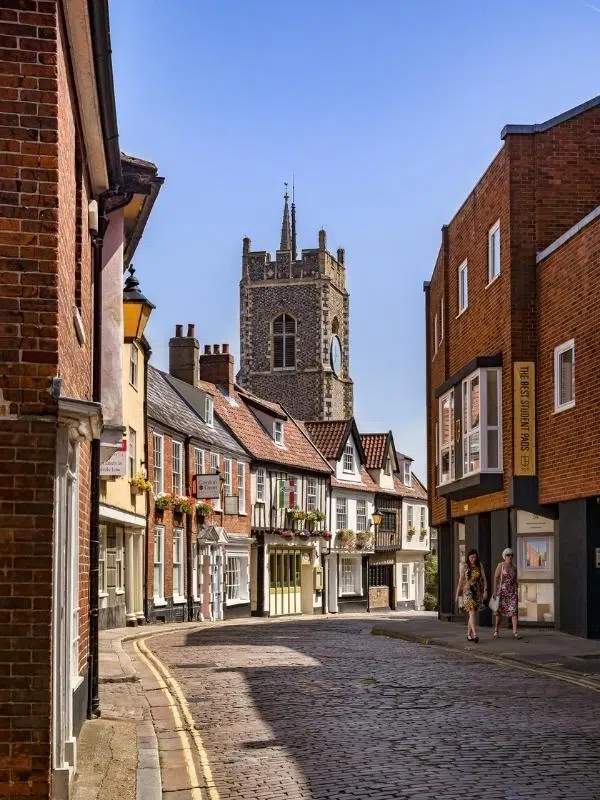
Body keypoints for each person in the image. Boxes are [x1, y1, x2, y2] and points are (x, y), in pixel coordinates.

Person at [455, 549, 488, 642]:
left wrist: (485, 590)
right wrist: (457, 594)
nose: (473, 559)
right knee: (472, 612)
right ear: (468, 557)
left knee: (472, 614)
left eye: (475, 557)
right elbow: (460, 581)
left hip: (476, 592)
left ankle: (468, 634)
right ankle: (475, 634)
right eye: (471, 557)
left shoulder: (479, 565)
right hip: (467, 592)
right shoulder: (464, 566)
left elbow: (484, 578)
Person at [492, 547, 520, 639]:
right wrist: (495, 591)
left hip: (512, 593)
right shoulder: (501, 565)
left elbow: (515, 580)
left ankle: (515, 632)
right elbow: (496, 578)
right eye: (508, 555)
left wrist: (516, 589)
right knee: (498, 613)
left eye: (512, 555)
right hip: (502, 592)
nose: (510, 556)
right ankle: (496, 630)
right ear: (504, 556)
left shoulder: (515, 567)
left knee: (514, 612)